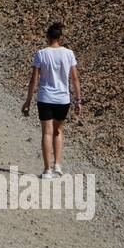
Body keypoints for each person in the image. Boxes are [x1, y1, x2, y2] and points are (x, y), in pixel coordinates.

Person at [21, 22, 82, 179]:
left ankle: (47, 169)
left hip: (45, 97)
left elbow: (34, 80)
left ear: (47, 36)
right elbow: (74, 78)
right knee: (58, 131)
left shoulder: (41, 54)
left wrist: (28, 100)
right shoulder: (69, 54)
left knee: (46, 132)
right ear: (60, 37)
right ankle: (58, 165)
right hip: (63, 98)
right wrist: (78, 100)